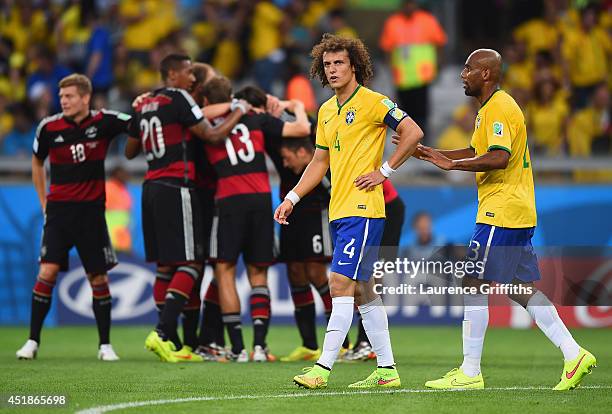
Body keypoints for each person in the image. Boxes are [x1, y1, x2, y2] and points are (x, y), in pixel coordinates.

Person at [419, 49, 596, 391]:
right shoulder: (487, 110)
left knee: (472, 281)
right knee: (520, 289)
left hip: (502, 209)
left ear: (486, 74)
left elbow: (499, 158)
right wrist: (433, 154)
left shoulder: (500, 107)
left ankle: (470, 372)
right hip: (515, 209)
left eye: (468, 68)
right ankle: (574, 354)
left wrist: (451, 166)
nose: (462, 74)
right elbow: (476, 151)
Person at [275, 33, 423, 389]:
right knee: (363, 290)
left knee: (339, 282)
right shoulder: (326, 110)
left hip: (365, 208)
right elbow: (319, 161)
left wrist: (384, 171)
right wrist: (292, 197)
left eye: (339, 63)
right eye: (327, 65)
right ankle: (387, 370)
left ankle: (322, 368)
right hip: (339, 211)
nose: (333, 69)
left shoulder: (373, 102)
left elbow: (412, 131)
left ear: (354, 65)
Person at [124, 54, 250, 363]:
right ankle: (164, 332)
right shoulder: (181, 100)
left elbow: (129, 151)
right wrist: (239, 110)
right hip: (180, 188)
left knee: (168, 266)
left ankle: (182, 344)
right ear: (172, 74)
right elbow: (212, 135)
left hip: (150, 186)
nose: (192, 79)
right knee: (192, 264)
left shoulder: (144, 103)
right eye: (187, 73)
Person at [16, 73, 132, 361]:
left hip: (91, 213)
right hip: (59, 214)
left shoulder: (105, 121)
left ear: (85, 98)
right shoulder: (48, 127)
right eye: (62, 97)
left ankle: (105, 345)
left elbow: (136, 125)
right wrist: (44, 202)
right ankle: (32, 342)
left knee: (98, 278)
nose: (63, 102)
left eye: (69, 97)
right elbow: (37, 162)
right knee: (47, 272)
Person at [203, 79, 310, 362]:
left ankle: (237, 348)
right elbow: (301, 129)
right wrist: (296, 106)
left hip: (228, 198)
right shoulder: (256, 118)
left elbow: (198, 115)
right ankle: (260, 347)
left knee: (224, 270)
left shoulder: (207, 123)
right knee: (258, 273)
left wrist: (230, 107)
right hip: (261, 199)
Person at [379, 0, 446, 138]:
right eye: (406, 3)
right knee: (404, 115)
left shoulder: (427, 20)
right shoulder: (393, 23)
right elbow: (387, 49)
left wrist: (439, 65)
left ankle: (423, 142)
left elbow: (439, 42)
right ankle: (407, 143)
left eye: (411, 3)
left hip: (422, 77)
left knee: (422, 113)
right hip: (402, 78)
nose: (409, 6)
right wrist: (389, 71)